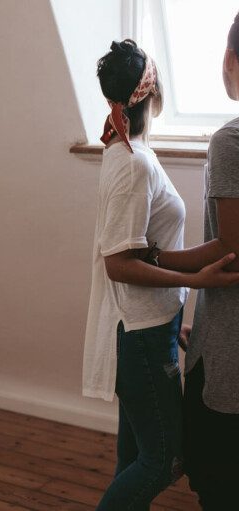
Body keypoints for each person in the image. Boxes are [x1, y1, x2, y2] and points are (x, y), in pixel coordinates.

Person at [82, 39, 239, 511]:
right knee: (165, 460)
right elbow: (120, 263)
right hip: (141, 333)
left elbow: (144, 253)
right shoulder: (132, 163)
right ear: (154, 93)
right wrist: (198, 282)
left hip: (153, 326)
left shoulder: (128, 154)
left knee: (137, 454)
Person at [138, 13, 239, 509]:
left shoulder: (231, 141)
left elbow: (231, 248)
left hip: (231, 351)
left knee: (217, 481)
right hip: (219, 333)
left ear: (230, 60)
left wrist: (159, 258)